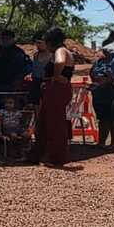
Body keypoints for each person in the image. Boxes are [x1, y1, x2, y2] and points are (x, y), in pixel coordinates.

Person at [27, 27, 74, 168]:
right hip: (53, 89)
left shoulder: (60, 51)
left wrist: (56, 76)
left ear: (50, 42)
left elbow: (60, 62)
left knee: (55, 123)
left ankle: (57, 157)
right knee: (44, 122)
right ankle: (38, 154)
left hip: (56, 89)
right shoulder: (62, 51)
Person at [89, 33, 114, 148]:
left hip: (110, 93)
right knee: (102, 119)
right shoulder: (99, 62)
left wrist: (104, 80)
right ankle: (101, 142)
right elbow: (92, 73)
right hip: (98, 94)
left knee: (112, 119)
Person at [0, 28, 32, 107]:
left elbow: (28, 67)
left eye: (8, 39)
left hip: (10, 88)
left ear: (13, 39)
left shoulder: (18, 52)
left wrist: (19, 78)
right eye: (3, 38)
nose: (5, 41)